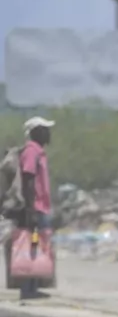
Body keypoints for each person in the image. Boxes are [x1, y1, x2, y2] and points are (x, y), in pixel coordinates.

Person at [18, 117, 55, 300]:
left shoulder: (39, 152)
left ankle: (33, 286)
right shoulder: (31, 152)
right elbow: (28, 180)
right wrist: (31, 210)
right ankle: (27, 288)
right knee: (32, 245)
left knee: (38, 246)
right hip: (36, 209)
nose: (48, 133)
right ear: (35, 132)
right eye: (44, 129)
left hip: (41, 208)